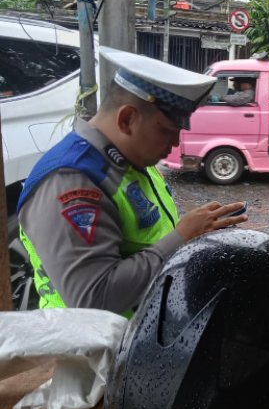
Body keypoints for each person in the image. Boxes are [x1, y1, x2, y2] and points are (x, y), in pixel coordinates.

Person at [17, 47, 249, 316]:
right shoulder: (72, 181)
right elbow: (94, 297)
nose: (174, 143)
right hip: (91, 350)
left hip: (137, 334)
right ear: (127, 119)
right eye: (166, 130)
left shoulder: (133, 162)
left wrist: (195, 234)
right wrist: (182, 236)